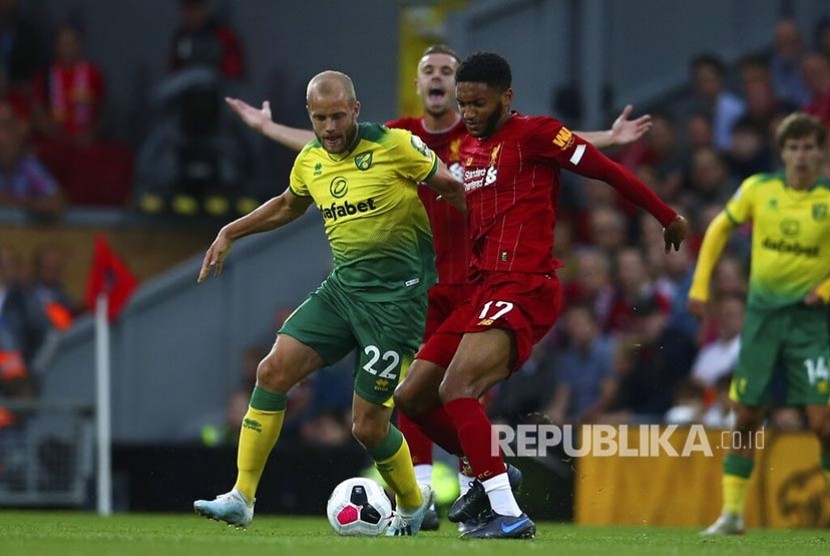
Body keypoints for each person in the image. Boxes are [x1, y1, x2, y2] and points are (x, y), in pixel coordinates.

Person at [225, 43, 653, 530]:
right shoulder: (401, 135)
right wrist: (267, 127)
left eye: (447, 70)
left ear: (457, 84)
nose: (437, 77)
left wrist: (608, 140)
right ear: (419, 82)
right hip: (426, 282)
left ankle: (483, 487)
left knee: (459, 391)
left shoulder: (479, 135)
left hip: (476, 280)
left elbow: (550, 142)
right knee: (415, 393)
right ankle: (430, 492)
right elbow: (329, 140)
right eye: (428, 69)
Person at [392, 51, 687, 539]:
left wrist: (665, 215)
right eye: (464, 105)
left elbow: (605, 171)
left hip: (525, 286)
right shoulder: (469, 152)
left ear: (506, 97)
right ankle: (497, 476)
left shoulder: (537, 134)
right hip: (479, 291)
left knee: (456, 389)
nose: (469, 113)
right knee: (413, 395)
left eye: (479, 103)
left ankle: (507, 511)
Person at [192, 70, 466, 536]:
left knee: (368, 426)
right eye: (321, 118)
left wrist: (479, 257)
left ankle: (414, 504)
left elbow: (455, 190)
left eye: (338, 116)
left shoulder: (395, 146)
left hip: (394, 304)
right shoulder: (311, 160)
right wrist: (229, 231)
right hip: (342, 292)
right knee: (272, 371)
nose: (331, 127)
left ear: (356, 110)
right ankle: (242, 497)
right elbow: (286, 205)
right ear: (310, 117)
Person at [688, 112, 830, 535]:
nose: (801, 155)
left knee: (823, 423)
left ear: (821, 152)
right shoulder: (758, 189)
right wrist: (700, 287)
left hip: (810, 324)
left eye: (809, 147)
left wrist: (824, 291)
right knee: (746, 415)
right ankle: (732, 513)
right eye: (794, 147)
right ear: (782, 152)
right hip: (762, 319)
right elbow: (716, 230)